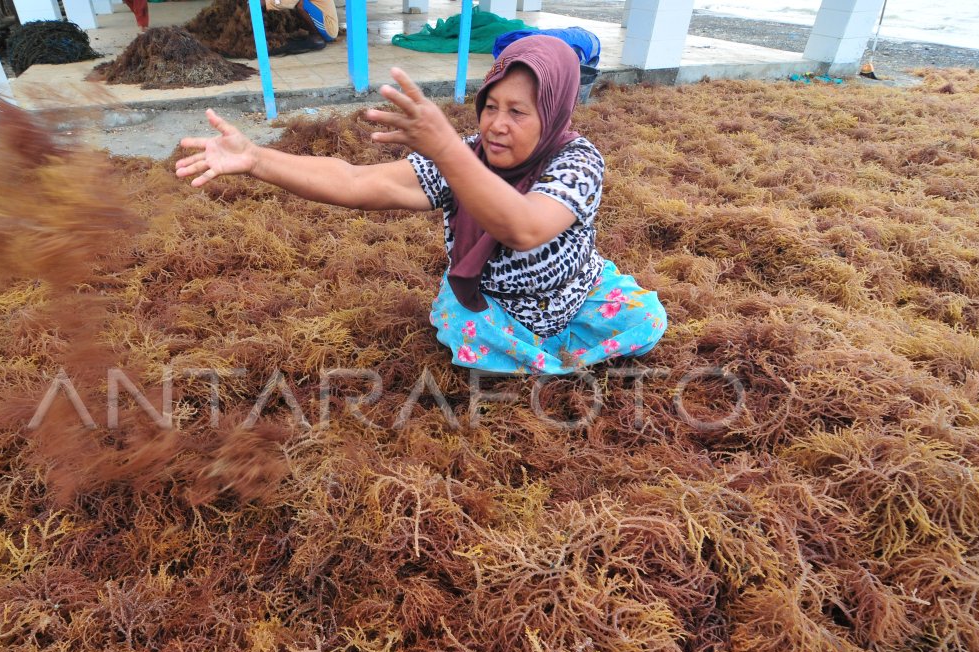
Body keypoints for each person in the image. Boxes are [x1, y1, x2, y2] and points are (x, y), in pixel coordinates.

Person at [175, 36, 667, 375]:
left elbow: (526, 227)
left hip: (572, 294)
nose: (497, 124)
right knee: (464, 333)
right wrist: (258, 158)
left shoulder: (577, 162)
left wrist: (447, 149)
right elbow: (355, 180)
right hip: (495, 305)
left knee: (644, 318)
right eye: (491, 106)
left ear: (555, 111)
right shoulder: (469, 155)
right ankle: (528, 356)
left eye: (518, 112)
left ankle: (544, 354)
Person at [264, 0, 339, 52]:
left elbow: (285, 3)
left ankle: (316, 35)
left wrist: (264, 2)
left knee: (300, 5)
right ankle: (315, 33)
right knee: (299, 5)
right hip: (325, 24)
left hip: (328, 28)